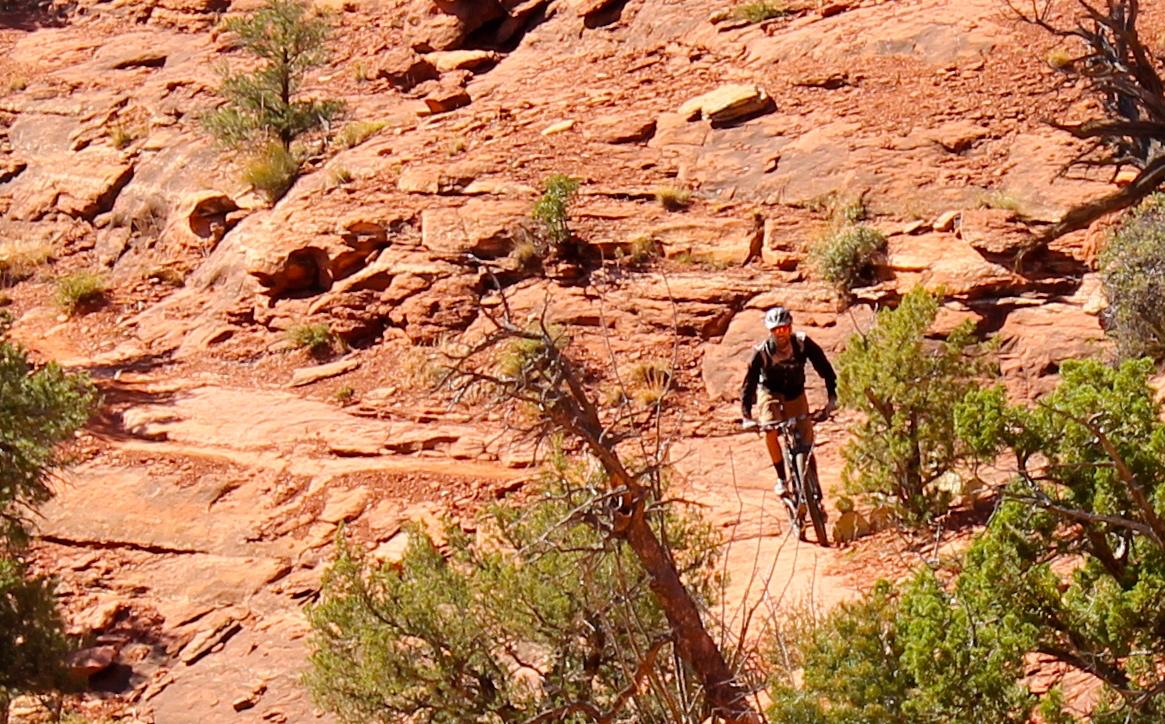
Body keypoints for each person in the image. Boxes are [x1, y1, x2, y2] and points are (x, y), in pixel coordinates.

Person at [740, 306, 837, 499]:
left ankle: (813, 486)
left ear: (790, 327)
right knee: (770, 429)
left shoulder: (802, 343)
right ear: (770, 331)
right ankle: (782, 479)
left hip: (795, 393)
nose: (781, 333)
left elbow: (824, 367)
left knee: (806, 436)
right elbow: (749, 384)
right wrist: (746, 416)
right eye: (776, 330)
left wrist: (832, 397)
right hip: (770, 392)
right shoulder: (762, 352)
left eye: (784, 328)